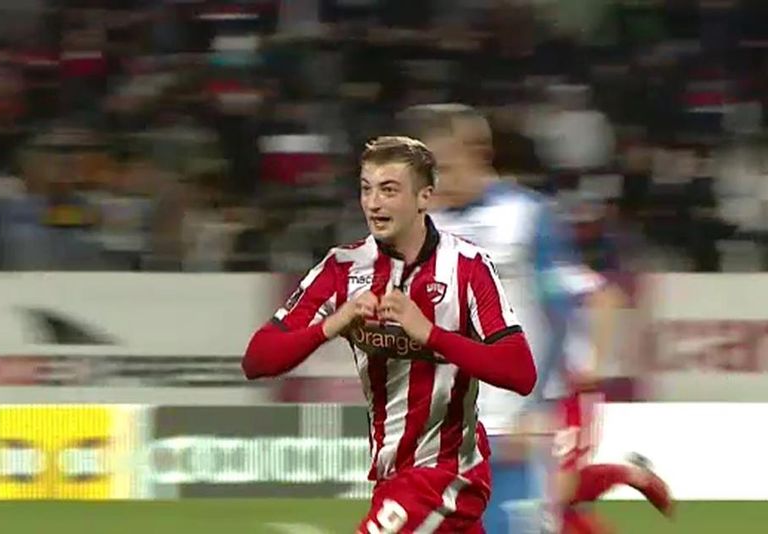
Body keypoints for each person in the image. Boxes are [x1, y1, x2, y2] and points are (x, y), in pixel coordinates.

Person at [242, 136, 537, 533]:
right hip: (392, 478)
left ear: (424, 196)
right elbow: (258, 359)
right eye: (367, 189)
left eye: (389, 190)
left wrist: (430, 333)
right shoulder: (343, 268)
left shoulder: (467, 266)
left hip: (447, 476)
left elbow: (520, 372)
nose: (374, 203)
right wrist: (333, 324)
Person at [398, 104, 671, 533]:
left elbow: (562, 313)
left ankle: (626, 473)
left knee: (539, 511)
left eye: (446, 167)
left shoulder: (525, 216)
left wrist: (541, 403)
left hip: (515, 416)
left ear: (477, 154)